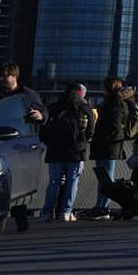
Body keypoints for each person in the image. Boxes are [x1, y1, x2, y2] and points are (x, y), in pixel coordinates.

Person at [83, 78, 138, 218]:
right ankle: (101, 206)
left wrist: (100, 135)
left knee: (106, 179)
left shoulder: (114, 103)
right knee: (105, 177)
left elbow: (114, 125)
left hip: (108, 144)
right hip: (110, 144)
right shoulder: (117, 102)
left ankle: (103, 207)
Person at [38, 82, 93, 222]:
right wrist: (82, 140)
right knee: (72, 181)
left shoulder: (53, 107)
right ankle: (66, 212)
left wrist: (48, 142)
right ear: (81, 93)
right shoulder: (84, 107)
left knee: (54, 181)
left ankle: (46, 212)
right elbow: (90, 130)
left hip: (55, 149)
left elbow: (43, 129)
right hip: (76, 150)